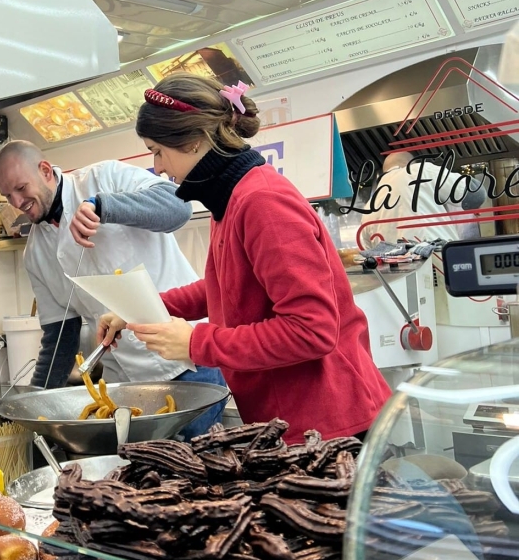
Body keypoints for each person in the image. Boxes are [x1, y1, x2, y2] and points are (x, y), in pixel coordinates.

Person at [97, 76, 391, 442]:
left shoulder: (263, 202)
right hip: (288, 422)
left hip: (329, 424)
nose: (157, 167)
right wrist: (141, 307)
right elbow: (225, 286)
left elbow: (311, 330)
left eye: (157, 151)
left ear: (192, 141)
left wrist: (195, 343)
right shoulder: (230, 199)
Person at [0, 141, 227, 437]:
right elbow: (59, 338)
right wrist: (34, 405)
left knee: (195, 468)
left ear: (44, 171)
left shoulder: (104, 178)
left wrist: (104, 207)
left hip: (188, 365)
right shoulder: (35, 254)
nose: (16, 202)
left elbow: (178, 208)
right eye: (7, 196)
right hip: (124, 387)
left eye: (21, 188)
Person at [359, 150, 487, 248]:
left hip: (397, 280)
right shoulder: (418, 171)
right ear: (410, 164)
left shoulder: (368, 209)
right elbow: (476, 194)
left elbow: (372, 258)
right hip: (437, 265)